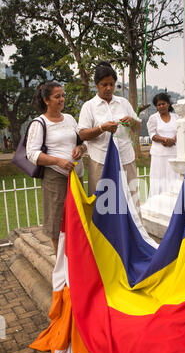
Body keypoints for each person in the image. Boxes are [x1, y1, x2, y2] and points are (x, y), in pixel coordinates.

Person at [26, 81, 86, 255]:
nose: (62, 99)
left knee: (76, 219)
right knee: (56, 220)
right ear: (46, 100)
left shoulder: (69, 119)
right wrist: (57, 161)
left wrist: (80, 149)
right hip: (56, 177)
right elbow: (32, 154)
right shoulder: (39, 123)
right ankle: (61, 262)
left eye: (63, 95)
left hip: (76, 176)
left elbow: (83, 144)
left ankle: (75, 258)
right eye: (57, 96)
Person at [77, 61, 142, 217]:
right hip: (101, 160)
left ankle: (134, 235)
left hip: (125, 157)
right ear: (97, 85)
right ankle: (103, 239)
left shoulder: (123, 103)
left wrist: (132, 122)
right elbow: (82, 134)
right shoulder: (89, 106)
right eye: (104, 84)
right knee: (103, 203)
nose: (108, 88)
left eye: (111, 84)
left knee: (131, 199)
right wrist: (101, 128)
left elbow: (137, 127)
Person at [147, 93, 179, 197]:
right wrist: (164, 140)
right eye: (159, 105)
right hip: (159, 155)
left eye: (163, 103)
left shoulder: (176, 117)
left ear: (168, 104)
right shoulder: (153, 118)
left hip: (174, 154)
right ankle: (157, 202)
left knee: (174, 179)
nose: (161, 106)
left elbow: (180, 131)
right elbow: (152, 135)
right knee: (158, 180)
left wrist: (173, 140)